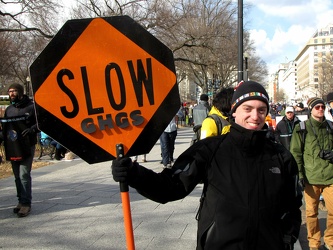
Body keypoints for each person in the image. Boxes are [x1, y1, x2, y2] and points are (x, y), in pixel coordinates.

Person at [112, 81, 302, 250]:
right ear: (234, 110)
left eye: (261, 110)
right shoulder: (210, 149)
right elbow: (170, 187)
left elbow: (293, 203)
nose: (255, 116)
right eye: (248, 109)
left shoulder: (280, 156)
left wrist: (288, 237)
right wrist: (134, 174)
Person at [290, 97, 333, 250]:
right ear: (311, 109)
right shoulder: (301, 128)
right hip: (311, 178)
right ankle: (314, 243)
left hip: (330, 176)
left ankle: (330, 240)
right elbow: (295, 153)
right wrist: (300, 176)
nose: (320, 109)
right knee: (311, 213)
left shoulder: (330, 126)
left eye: (322, 107)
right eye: (317, 107)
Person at [0, 83, 38, 217]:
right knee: (17, 176)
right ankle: (20, 201)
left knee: (24, 174)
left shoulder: (31, 107)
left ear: (20, 92)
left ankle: (26, 204)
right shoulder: (9, 109)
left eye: (14, 91)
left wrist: (32, 129)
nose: (11, 93)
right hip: (13, 147)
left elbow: (40, 123)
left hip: (27, 145)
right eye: (10, 91)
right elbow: (4, 128)